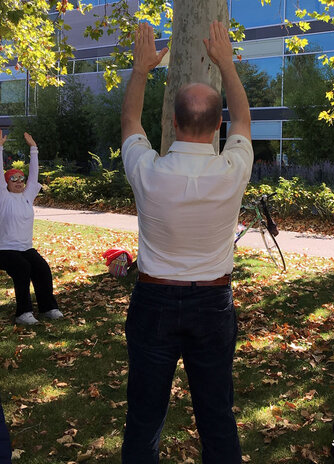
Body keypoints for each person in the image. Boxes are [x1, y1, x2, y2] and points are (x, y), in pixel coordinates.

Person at [119, 21, 252, 463]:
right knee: (216, 416)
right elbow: (246, 120)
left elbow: (130, 121)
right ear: (218, 128)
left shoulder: (148, 171)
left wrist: (141, 71)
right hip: (213, 306)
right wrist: (227, 66)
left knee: (144, 417)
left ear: (173, 123)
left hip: (154, 301)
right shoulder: (233, 169)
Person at [0, 129, 62, 325]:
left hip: (24, 248)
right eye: (13, 179)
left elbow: (34, 176)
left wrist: (34, 149)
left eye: (21, 179)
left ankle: (48, 308)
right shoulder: (2, 197)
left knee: (41, 267)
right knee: (22, 267)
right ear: (6, 183)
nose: (19, 182)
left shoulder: (27, 197)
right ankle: (23, 313)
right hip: (1, 250)